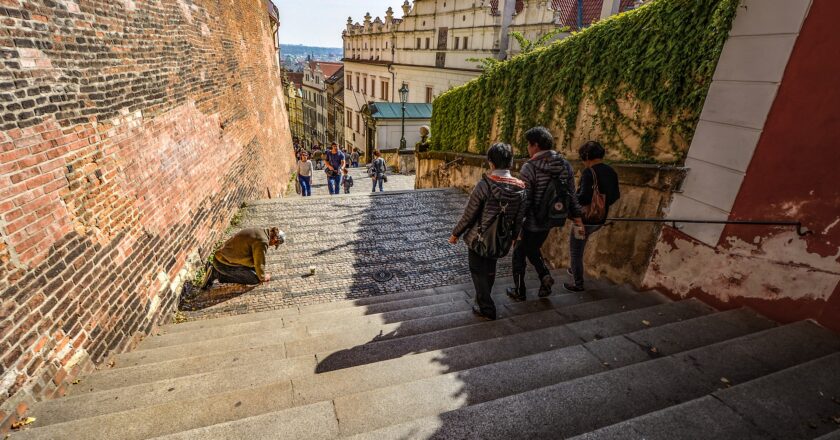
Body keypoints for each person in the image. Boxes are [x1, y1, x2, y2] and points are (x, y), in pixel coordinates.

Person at [450, 143, 527, 321]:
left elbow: (469, 214)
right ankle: (482, 299)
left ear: (490, 163)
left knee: (477, 270)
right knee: (490, 269)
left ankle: (486, 307)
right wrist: (514, 237)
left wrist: (456, 233)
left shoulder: (485, 184)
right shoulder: (521, 188)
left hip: (478, 237)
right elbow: (518, 218)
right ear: (511, 162)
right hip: (500, 239)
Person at [507, 126, 583, 301]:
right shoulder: (565, 165)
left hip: (532, 221)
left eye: (528, 144)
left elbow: (524, 201)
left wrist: (515, 228)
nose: (527, 148)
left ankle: (520, 291)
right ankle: (544, 278)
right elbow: (572, 195)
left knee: (519, 252)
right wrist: (578, 220)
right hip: (551, 219)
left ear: (535, 145)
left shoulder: (530, 167)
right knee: (533, 249)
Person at [565, 141, 620, 292]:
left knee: (575, 252)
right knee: (580, 246)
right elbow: (615, 196)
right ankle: (575, 269)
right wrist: (600, 205)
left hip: (584, 220)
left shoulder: (589, 172)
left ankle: (578, 283)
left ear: (586, 156)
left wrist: (570, 198)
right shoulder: (611, 171)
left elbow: (583, 198)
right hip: (600, 220)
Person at [198, 227, 285, 289]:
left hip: (221, 257)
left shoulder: (260, 231)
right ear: (275, 240)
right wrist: (263, 277)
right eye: (274, 244)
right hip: (223, 264)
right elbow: (259, 262)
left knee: (254, 271)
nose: (272, 246)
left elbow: (254, 260)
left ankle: (213, 268)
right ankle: (216, 273)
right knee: (254, 279)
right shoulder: (263, 241)